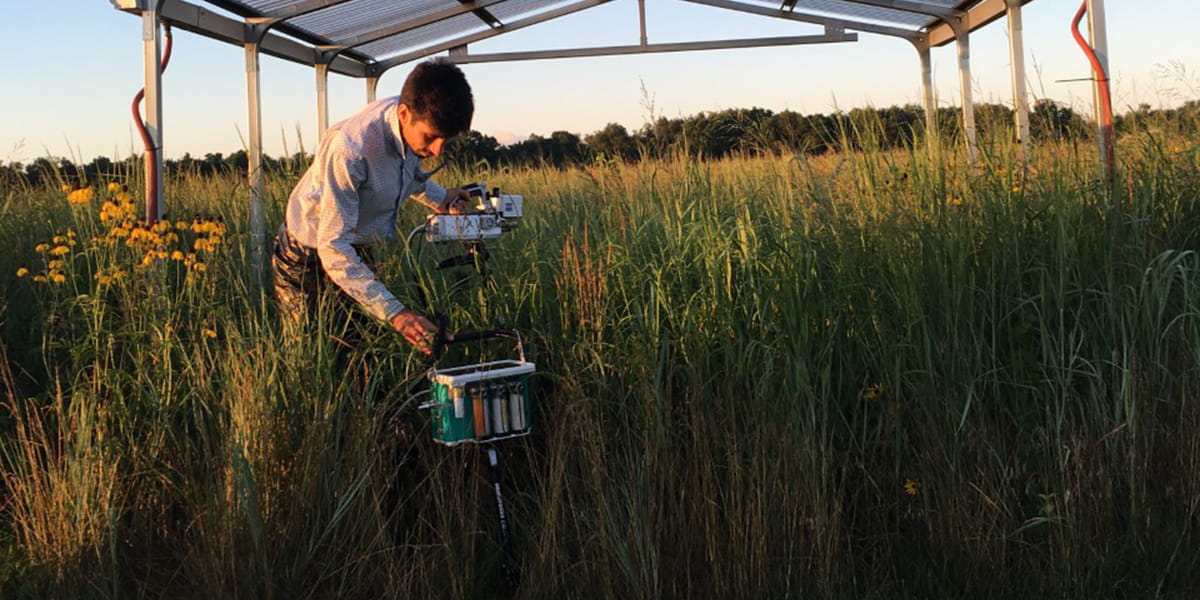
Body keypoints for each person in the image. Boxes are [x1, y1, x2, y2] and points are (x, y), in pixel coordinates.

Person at [272, 59, 474, 354]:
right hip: (307, 255)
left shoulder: (410, 116)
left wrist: (440, 198)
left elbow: (404, 176)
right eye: (431, 138)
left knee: (362, 349)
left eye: (447, 140)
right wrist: (397, 315)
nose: (436, 150)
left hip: (353, 245)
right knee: (312, 356)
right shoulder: (351, 149)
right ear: (404, 114)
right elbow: (332, 247)